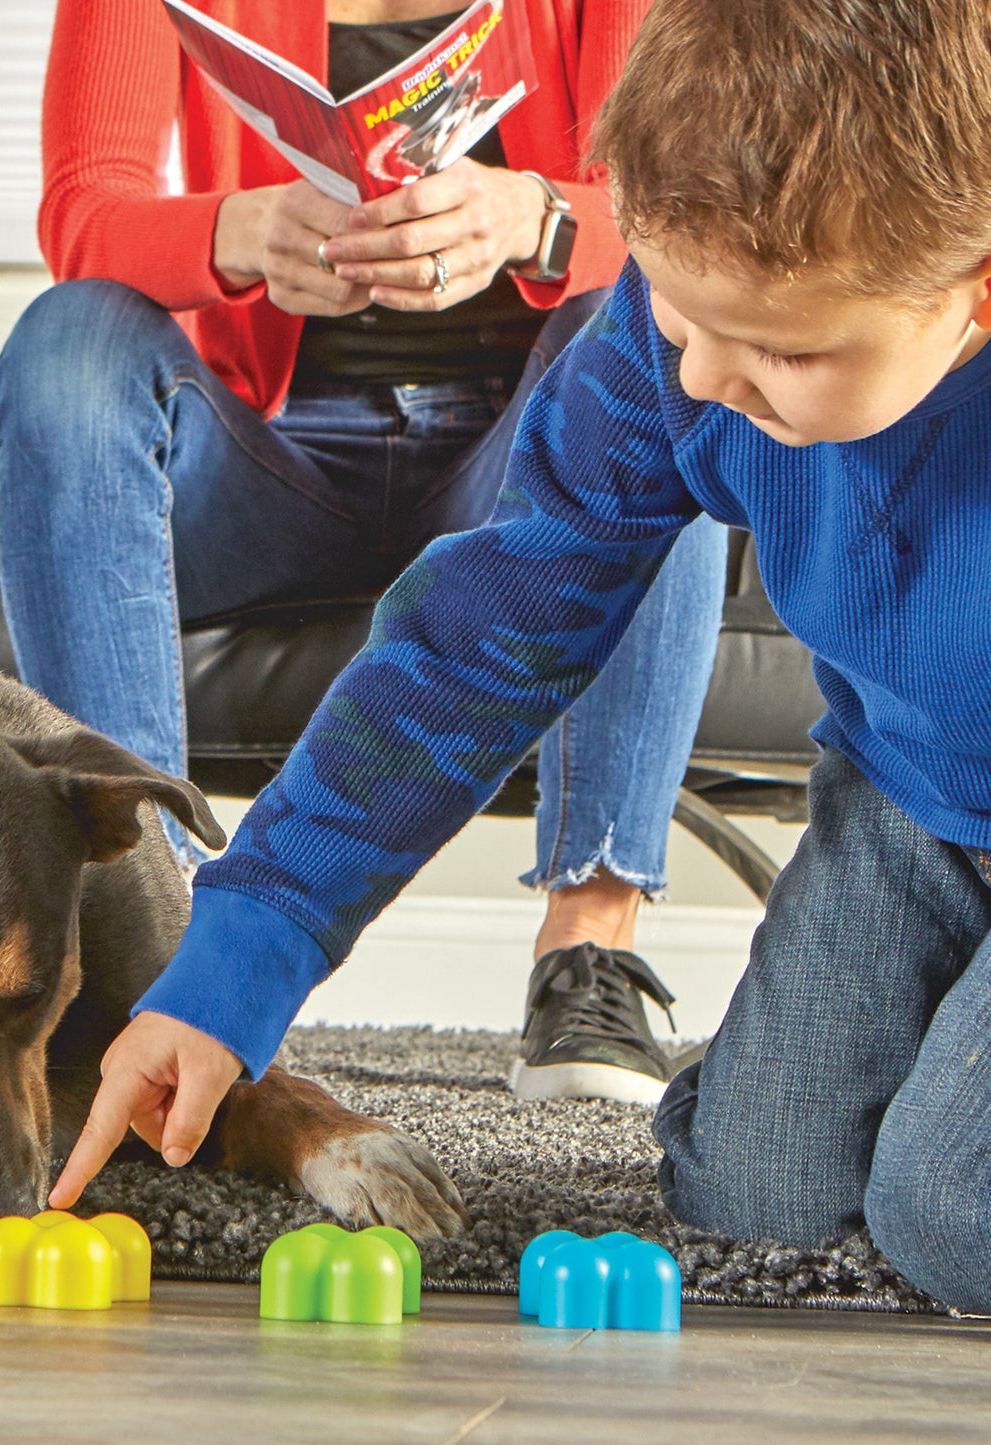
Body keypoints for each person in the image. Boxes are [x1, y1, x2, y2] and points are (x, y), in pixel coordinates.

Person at [49, 0, 991, 1315]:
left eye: (785, 349)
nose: (705, 379)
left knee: (947, 1218)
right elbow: (465, 654)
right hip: (908, 796)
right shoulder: (668, 358)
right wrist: (232, 966)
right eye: (676, 312)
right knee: (754, 1202)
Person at [0, 0, 727, 1107]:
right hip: (259, 464)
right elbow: (82, 215)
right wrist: (237, 233)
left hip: (517, 466)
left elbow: (694, 224)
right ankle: (149, 921)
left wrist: (535, 222)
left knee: (658, 346)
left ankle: (588, 949)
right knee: (66, 335)